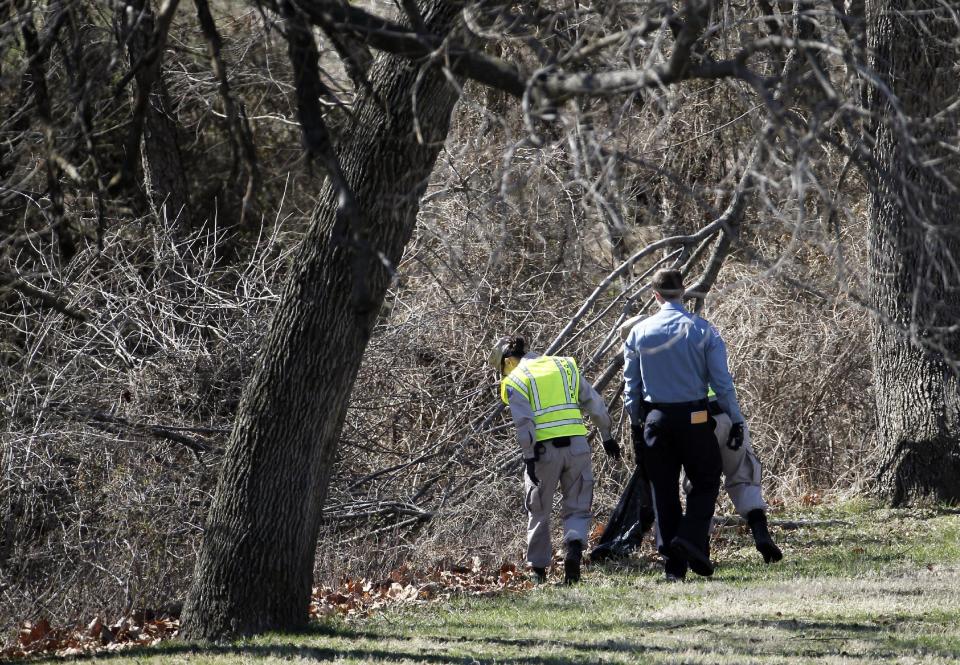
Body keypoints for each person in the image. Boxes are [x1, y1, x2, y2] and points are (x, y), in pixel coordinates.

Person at [604, 316, 783, 565]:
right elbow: (722, 381)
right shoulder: (694, 339)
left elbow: (638, 400)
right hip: (725, 417)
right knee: (744, 475)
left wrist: (637, 432)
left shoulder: (649, 365)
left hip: (698, 425)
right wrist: (737, 419)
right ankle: (760, 532)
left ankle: (700, 548)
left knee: (697, 487)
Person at [622, 268, 734, 580]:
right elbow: (722, 383)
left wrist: (635, 423)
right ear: (683, 293)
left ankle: (674, 567)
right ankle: (689, 537)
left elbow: (631, 388)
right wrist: (734, 418)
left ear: (654, 295)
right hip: (695, 417)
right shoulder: (701, 330)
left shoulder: (638, 332)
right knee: (707, 480)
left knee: (663, 489)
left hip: (655, 419)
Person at [489, 336, 620, 584]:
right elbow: (593, 401)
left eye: (501, 370)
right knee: (579, 505)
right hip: (577, 447)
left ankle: (538, 571)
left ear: (507, 362)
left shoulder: (515, 380)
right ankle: (573, 549)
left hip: (542, 453)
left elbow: (524, 423)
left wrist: (528, 456)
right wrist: (606, 435)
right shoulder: (564, 366)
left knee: (538, 508)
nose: (502, 376)